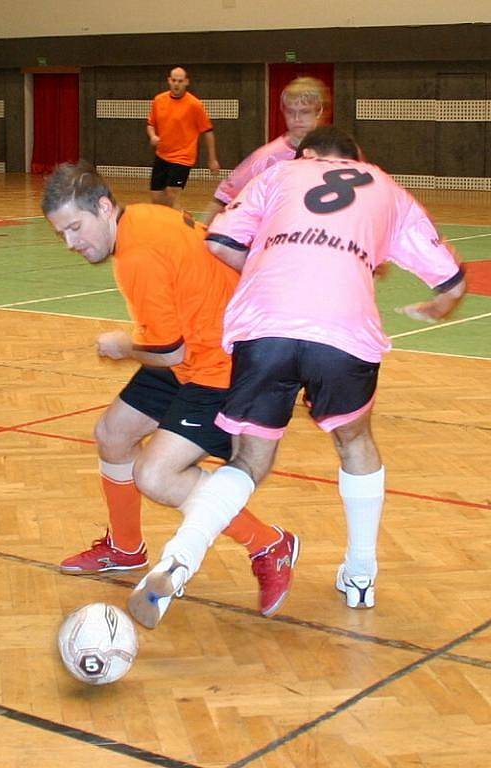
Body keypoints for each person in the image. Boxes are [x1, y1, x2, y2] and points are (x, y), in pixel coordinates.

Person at [127, 126, 466, 628]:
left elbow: (219, 242)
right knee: (355, 443)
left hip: (265, 327)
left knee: (248, 461)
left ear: (309, 154)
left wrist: (269, 262)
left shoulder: (280, 171)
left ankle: (177, 560)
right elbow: (452, 281)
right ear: (357, 160)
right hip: (342, 330)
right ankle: (361, 573)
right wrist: (438, 305)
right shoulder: (386, 186)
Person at [41, 160, 299, 620]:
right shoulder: (142, 217)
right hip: (199, 342)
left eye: (76, 228)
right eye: (61, 234)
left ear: (103, 207)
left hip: (223, 366)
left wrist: (122, 345)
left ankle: (270, 545)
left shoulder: (137, 255)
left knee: (156, 476)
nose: (70, 243)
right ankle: (125, 548)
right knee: (113, 434)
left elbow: (167, 354)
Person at [203, 77, 328, 223]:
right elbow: (222, 198)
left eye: (305, 112)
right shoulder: (266, 158)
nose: (296, 118)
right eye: (290, 112)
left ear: (319, 112)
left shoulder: (338, 152)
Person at [147, 66, 220, 209]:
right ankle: (172, 222)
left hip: (183, 157)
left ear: (186, 82)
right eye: (174, 80)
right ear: (169, 81)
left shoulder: (194, 105)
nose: (176, 84)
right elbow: (150, 124)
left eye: (180, 81)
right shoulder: (159, 100)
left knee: (171, 194)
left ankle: (180, 227)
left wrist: (212, 159)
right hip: (162, 155)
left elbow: (208, 131)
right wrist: (153, 135)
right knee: (157, 198)